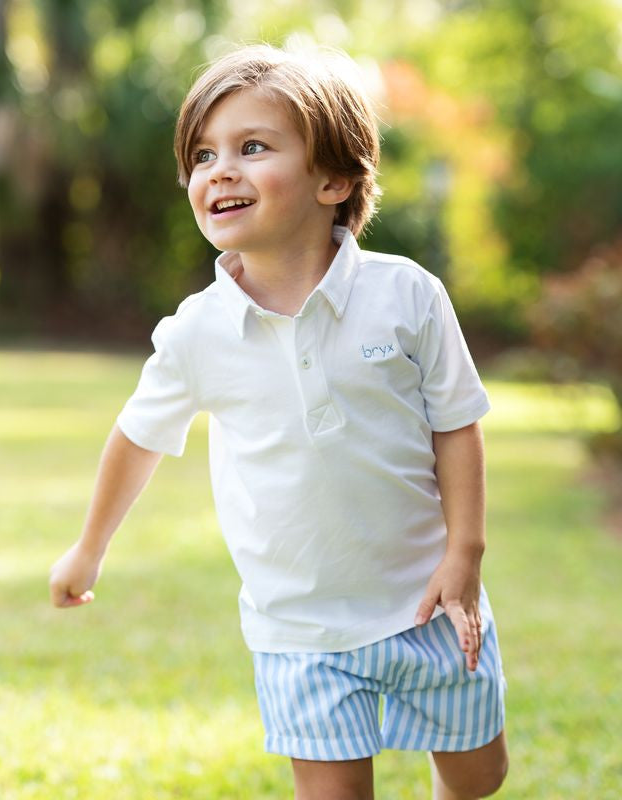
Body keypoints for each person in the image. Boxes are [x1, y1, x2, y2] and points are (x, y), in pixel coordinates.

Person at [49, 43, 508, 800]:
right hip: (300, 630)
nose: (219, 170)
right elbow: (137, 438)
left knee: (478, 778)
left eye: (252, 147)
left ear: (334, 179)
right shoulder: (198, 332)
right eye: (203, 155)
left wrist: (465, 553)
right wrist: (89, 548)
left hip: (428, 602)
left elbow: (456, 423)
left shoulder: (409, 298)